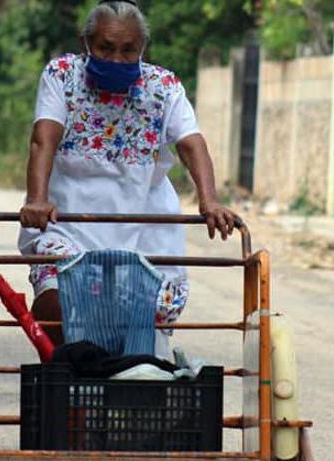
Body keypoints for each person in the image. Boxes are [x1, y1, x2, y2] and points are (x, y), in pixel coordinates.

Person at [18, 0, 240, 355]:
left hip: (144, 225)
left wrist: (209, 199)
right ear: (85, 43)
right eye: (105, 48)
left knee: (144, 329)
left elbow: (191, 144)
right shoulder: (62, 75)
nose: (117, 59)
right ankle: (69, 380)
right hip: (69, 222)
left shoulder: (163, 86)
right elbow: (44, 138)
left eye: (128, 50)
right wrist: (36, 199)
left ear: (142, 49)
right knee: (56, 306)